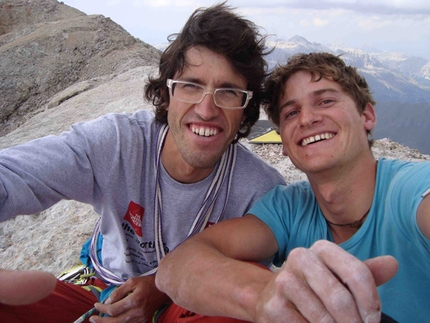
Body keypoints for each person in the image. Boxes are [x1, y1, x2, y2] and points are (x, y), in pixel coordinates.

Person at [0, 3, 285, 323]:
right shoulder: (119, 143)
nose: (206, 109)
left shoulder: (260, 191)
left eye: (228, 92)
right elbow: (16, 174)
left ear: (246, 109)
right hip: (99, 288)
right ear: (166, 95)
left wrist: (160, 288)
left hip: (188, 303)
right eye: (190, 86)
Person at [155, 52, 430, 323]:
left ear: (367, 115)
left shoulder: (411, 189)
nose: (307, 119)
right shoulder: (288, 208)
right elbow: (177, 266)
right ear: (284, 143)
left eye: (325, 101)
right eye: (291, 112)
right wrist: (262, 296)